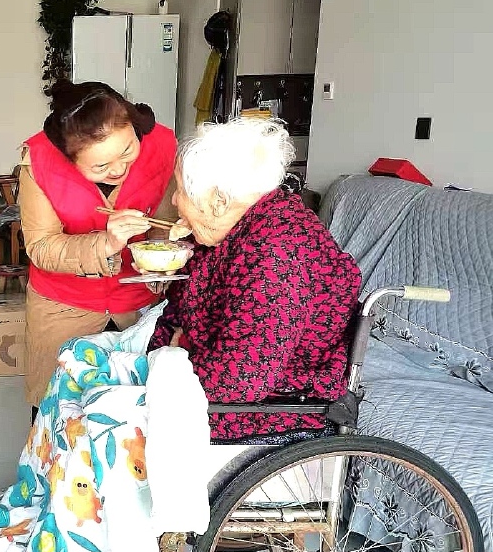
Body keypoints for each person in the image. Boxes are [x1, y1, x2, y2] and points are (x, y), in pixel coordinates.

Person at [148, 118, 362, 441]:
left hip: (270, 408)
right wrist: (165, 351)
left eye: (180, 190)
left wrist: (174, 363)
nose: (175, 201)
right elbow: (186, 302)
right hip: (220, 380)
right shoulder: (239, 224)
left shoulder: (277, 254)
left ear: (219, 201)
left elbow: (241, 378)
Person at [19, 80, 177, 411]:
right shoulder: (40, 161)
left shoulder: (162, 144)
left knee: (135, 410)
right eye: (100, 167)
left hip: (138, 303)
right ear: (69, 159)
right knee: (58, 408)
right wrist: (106, 242)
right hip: (63, 304)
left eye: (127, 151)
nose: (118, 169)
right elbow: (41, 246)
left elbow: (164, 220)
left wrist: (158, 263)